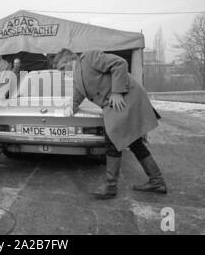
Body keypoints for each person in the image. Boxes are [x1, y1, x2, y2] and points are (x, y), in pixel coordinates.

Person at [54, 48, 167, 199]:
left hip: (125, 98)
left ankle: (110, 186)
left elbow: (120, 63)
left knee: (113, 140)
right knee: (134, 143)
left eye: (62, 68)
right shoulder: (76, 76)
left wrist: (117, 91)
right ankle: (157, 181)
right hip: (115, 105)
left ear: (69, 60)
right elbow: (78, 95)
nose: (62, 73)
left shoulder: (89, 57)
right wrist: (70, 108)